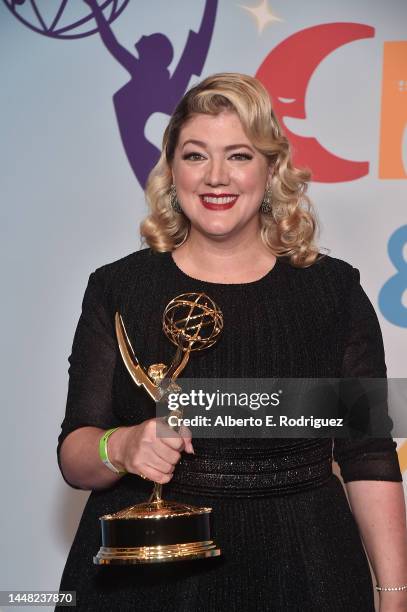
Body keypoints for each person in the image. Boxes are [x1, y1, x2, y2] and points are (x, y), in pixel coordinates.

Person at [56, 73, 407, 612]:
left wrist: (394, 596)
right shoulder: (119, 288)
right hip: (146, 578)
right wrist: (121, 446)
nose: (216, 177)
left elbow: (369, 457)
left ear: (270, 170)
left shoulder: (332, 291)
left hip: (307, 571)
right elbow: (76, 454)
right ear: (172, 171)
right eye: (196, 155)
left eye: (239, 155)